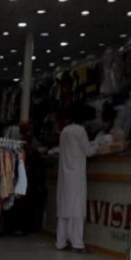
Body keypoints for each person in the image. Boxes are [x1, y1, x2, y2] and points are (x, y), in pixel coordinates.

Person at [56, 104, 98, 252]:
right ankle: (77, 243)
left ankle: (61, 241)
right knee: (77, 209)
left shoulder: (64, 131)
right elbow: (89, 151)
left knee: (64, 209)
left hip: (64, 175)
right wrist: (98, 143)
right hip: (76, 175)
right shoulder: (80, 131)